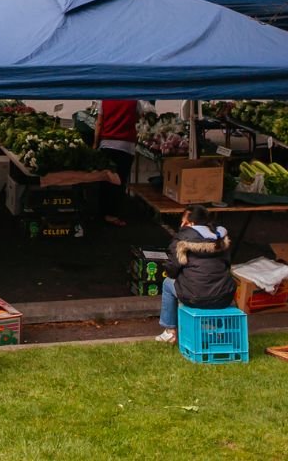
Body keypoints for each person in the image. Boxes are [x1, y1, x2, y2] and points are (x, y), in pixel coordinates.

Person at [156, 205, 236, 344]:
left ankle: (170, 331)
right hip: (225, 295)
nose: (182, 225)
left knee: (168, 283)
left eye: (184, 222)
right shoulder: (221, 239)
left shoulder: (182, 239)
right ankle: (215, 330)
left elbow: (172, 269)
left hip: (194, 296)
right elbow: (227, 265)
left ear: (192, 224)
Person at [95, 99, 138, 227]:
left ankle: (102, 212)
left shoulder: (104, 101)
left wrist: (95, 144)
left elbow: (99, 124)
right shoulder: (135, 101)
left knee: (105, 180)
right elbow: (139, 118)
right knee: (119, 181)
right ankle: (113, 214)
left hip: (107, 144)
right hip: (126, 146)